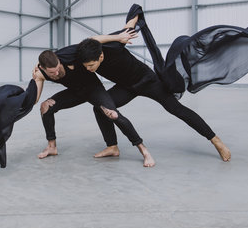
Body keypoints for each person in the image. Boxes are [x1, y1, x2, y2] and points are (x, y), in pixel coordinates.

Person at [76, 15, 231, 162]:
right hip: (126, 87)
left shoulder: (115, 45)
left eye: (91, 65)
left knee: (176, 109)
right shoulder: (85, 54)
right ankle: (112, 146)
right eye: (86, 66)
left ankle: (215, 140)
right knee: (100, 108)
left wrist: (128, 27)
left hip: (147, 81)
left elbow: (133, 16)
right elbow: (88, 42)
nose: (89, 69)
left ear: (101, 57)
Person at [34, 30, 156, 167]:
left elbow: (93, 40)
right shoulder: (39, 73)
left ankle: (144, 151)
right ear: (42, 68)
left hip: (93, 89)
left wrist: (119, 37)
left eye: (58, 68)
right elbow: (35, 98)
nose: (56, 73)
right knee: (45, 107)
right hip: (75, 93)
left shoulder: (68, 53)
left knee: (113, 114)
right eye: (52, 72)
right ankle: (52, 147)